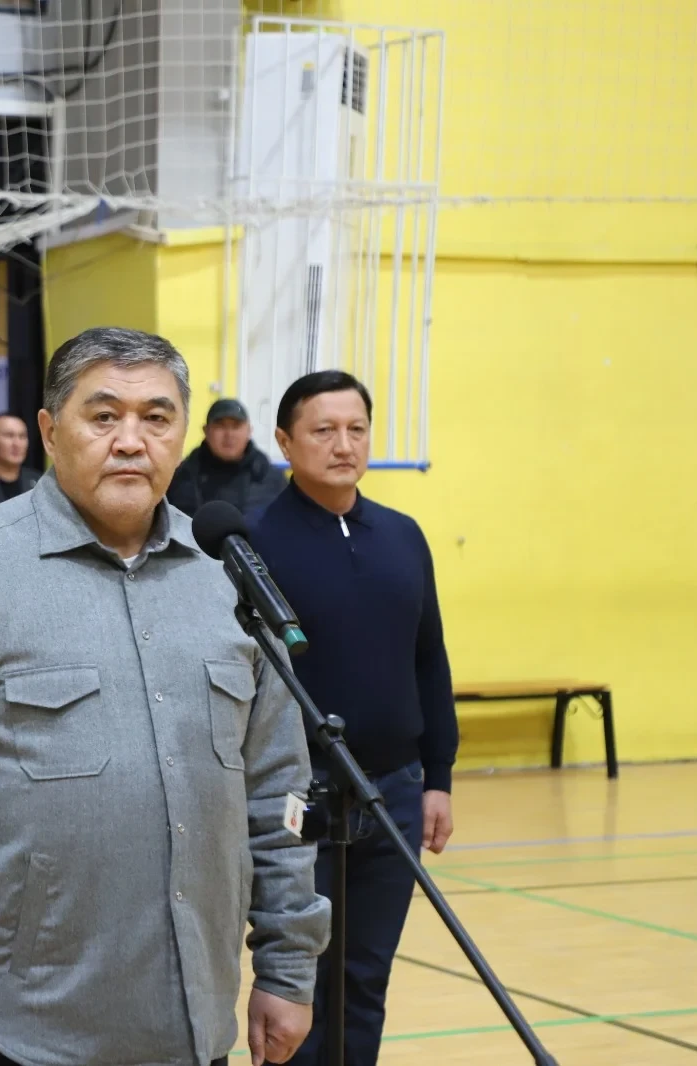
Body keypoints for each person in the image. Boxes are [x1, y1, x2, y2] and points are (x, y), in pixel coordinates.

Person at [0, 326, 330, 1066]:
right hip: (26, 1031)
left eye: (157, 418)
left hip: (196, 1025)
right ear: (51, 432)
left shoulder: (227, 580)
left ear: (182, 434)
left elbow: (279, 794)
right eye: (103, 416)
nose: (131, 441)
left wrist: (288, 966)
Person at [247, 370, 457, 1066]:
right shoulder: (253, 544)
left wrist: (438, 777)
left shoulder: (404, 536)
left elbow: (429, 659)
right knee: (298, 981)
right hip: (297, 798)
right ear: (285, 443)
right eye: (324, 430)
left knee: (366, 979)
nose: (344, 445)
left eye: (357, 429)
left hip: (394, 790)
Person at [166, 398, 286, 517]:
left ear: (249, 431)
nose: (229, 434)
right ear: (206, 431)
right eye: (220, 426)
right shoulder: (181, 477)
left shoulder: (272, 479)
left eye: (236, 426)